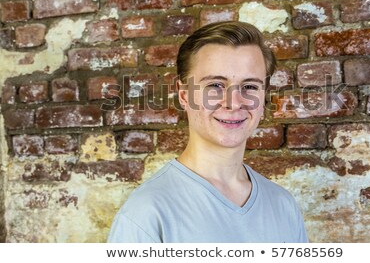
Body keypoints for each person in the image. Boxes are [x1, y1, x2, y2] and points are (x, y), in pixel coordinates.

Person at [108, 21, 308, 242]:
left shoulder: (283, 205)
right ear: (184, 95)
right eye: (215, 85)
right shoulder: (147, 213)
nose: (233, 103)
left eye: (250, 86)